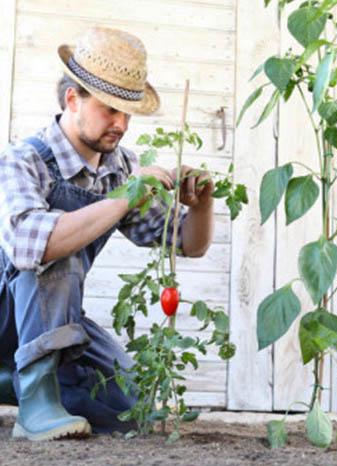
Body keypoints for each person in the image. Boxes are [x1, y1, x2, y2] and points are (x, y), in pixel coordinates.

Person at [0, 26, 214, 440]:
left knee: (132, 406)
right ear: (72, 99)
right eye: (110, 110)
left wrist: (201, 203)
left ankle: (15, 385)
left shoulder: (118, 167)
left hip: (51, 319)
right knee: (59, 247)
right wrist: (125, 197)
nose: (121, 124)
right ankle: (36, 406)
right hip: (5, 310)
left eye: (127, 112)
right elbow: (33, 246)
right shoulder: (21, 160)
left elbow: (186, 243)